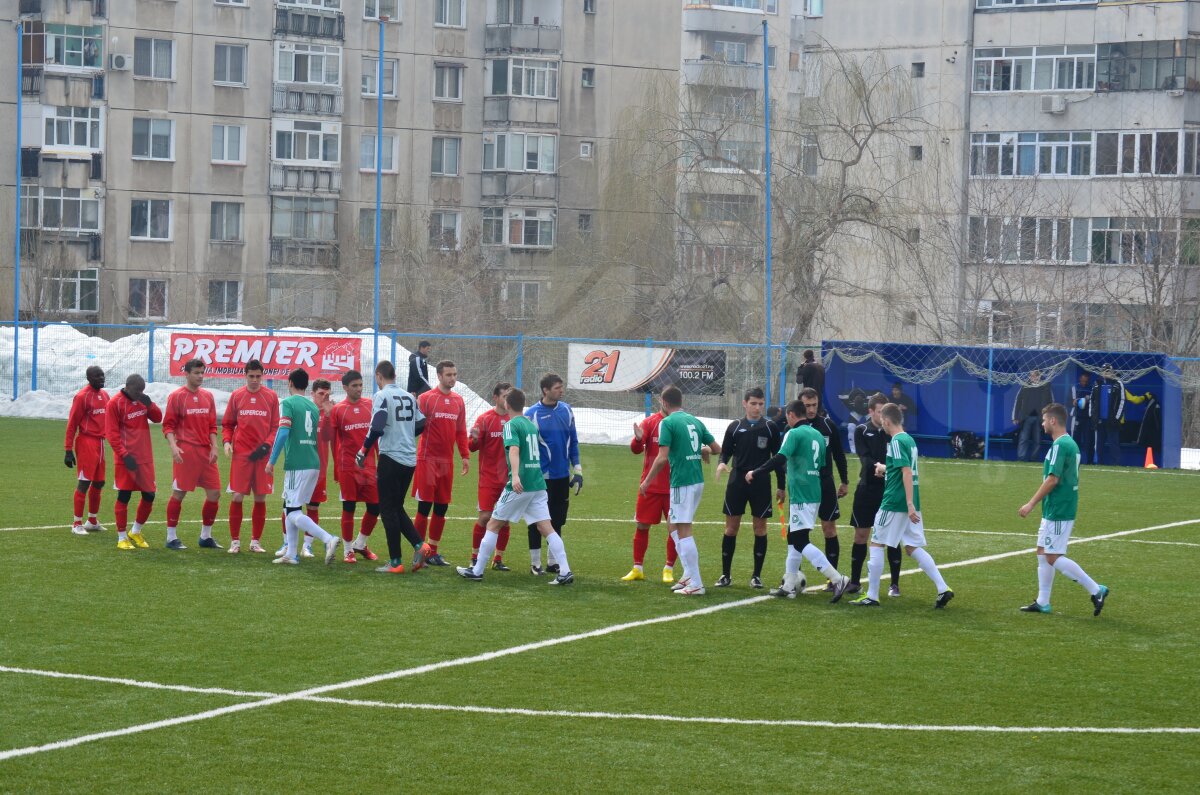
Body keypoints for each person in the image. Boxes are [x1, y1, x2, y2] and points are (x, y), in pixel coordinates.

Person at [458, 388, 574, 585]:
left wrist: (516, 477)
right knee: (546, 526)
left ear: (507, 404)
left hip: (521, 484)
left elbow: (514, 450)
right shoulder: (530, 424)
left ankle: (477, 571)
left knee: (493, 523)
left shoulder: (511, 425)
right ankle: (565, 571)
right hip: (538, 483)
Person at [747, 400, 851, 602]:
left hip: (802, 495)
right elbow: (821, 466)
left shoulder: (793, 433)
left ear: (792, 415)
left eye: (787, 416)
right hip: (814, 492)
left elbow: (780, 457)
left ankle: (838, 579)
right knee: (794, 540)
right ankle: (788, 586)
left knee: (801, 541)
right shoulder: (818, 436)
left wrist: (757, 472)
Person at [852, 403, 954, 609]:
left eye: (883, 422)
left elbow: (906, 472)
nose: (882, 425)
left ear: (887, 421)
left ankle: (872, 595)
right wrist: (885, 468)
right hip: (910, 501)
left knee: (876, 543)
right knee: (911, 547)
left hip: (895, 502)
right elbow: (901, 471)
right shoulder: (909, 440)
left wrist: (908, 504)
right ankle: (943, 588)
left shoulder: (897, 442)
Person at [1017, 402, 1109, 616]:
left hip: (1059, 508)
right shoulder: (1069, 444)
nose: (1041, 424)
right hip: (1055, 507)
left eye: (1043, 420)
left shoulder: (1061, 445)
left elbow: (1052, 479)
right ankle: (1043, 602)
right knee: (1042, 552)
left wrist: (1030, 504)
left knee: (1051, 556)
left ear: (1052, 421)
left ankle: (1096, 590)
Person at [639, 386, 720, 596]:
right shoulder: (695, 420)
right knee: (672, 524)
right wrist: (703, 450)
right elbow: (717, 448)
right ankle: (687, 575)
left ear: (664, 403)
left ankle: (697, 583)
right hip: (697, 481)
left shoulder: (667, 422)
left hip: (682, 481)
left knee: (684, 529)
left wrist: (647, 481)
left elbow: (662, 457)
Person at [358, 361, 432, 574]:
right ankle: (420, 545)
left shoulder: (381, 396)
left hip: (391, 457)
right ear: (395, 375)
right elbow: (421, 423)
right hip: (409, 459)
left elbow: (378, 424)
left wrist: (363, 450)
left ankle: (395, 561)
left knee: (387, 509)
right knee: (396, 507)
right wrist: (405, 435)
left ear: (378, 376)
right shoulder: (409, 396)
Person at [266, 369, 344, 566]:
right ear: (307, 385)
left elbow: (283, 433)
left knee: (292, 512)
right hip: (314, 463)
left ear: (289, 382)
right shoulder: (312, 405)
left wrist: (271, 461)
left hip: (297, 463)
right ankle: (291, 553)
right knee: (289, 506)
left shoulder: (288, 403)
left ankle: (328, 539)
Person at [714, 387, 784, 589]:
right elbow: (725, 452)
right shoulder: (735, 427)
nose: (757, 407)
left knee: (760, 529)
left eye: (761, 404)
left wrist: (781, 486)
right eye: (753, 403)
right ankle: (725, 575)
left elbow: (778, 459)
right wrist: (721, 462)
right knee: (731, 528)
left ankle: (756, 576)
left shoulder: (770, 428)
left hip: (761, 483)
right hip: (737, 482)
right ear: (745, 404)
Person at [411, 360, 470, 565]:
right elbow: (413, 427)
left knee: (441, 508)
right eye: (448, 375)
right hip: (427, 460)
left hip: (447, 463)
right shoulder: (426, 399)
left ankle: (433, 552)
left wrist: (464, 455)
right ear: (439, 376)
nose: (452, 378)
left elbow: (461, 431)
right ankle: (420, 551)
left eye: (454, 374)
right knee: (424, 507)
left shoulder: (458, 401)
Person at [525, 373, 583, 575]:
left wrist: (577, 470)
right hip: (540, 478)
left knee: (557, 519)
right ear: (545, 390)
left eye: (561, 387)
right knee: (536, 520)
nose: (561, 390)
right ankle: (535, 564)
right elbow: (526, 449)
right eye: (557, 387)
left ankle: (552, 562)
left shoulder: (567, 410)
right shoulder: (531, 414)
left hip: (561, 477)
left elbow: (573, 441)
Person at [162, 359, 221, 551]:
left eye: (202, 372)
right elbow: (168, 425)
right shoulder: (176, 396)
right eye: (196, 373)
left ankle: (206, 536)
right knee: (179, 493)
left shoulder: (208, 396)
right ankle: (171, 537)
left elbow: (212, 425)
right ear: (186, 374)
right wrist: (173, 446)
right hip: (186, 451)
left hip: (206, 452)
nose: (200, 376)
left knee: (215, 493)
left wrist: (214, 447)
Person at [848, 393, 904, 597]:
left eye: (884, 412)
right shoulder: (862, 431)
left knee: (892, 537)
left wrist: (886, 469)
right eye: (879, 412)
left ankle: (894, 584)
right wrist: (878, 467)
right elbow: (864, 457)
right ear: (870, 411)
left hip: (889, 490)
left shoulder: (894, 433)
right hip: (867, 488)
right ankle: (855, 581)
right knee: (861, 534)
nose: (882, 416)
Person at [222, 360, 279, 554]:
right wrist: (227, 442)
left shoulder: (271, 397)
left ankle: (255, 542)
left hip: (263, 456)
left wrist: (267, 445)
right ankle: (235, 541)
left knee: (260, 498)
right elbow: (228, 424)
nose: (254, 380)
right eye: (251, 376)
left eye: (258, 376)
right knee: (237, 496)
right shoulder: (237, 396)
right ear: (245, 375)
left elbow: (275, 426)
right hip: (242, 455)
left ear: (262, 376)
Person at [621, 397, 679, 584]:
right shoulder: (650, 422)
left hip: (674, 486)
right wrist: (638, 440)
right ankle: (637, 568)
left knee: (675, 529)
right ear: (662, 401)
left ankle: (668, 568)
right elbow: (635, 450)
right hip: (650, 487)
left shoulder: (679, 423)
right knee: (642, 525)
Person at [327, 370, 381, 563]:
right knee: (349, 507)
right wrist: (336, 469)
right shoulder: (338, 410)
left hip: (369, 467)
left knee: (375, 508)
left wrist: (379, 459)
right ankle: (348, 550)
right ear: (345, 387)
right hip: (348, 467)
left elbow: (375, 436)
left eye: (360, 385)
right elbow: (334, 442)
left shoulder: (370, 406)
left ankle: (361, 543)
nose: (359, 389)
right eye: (354, 386)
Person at [797, 387, 850, 584]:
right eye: (807, 405)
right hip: (803, 485)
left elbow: (838, 455)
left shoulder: (828, 426)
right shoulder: (794, 428)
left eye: (814, 405)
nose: (811, 409)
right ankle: (795, 575)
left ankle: (832, 579)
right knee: (800, 530)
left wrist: (844, 481)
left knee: (829, 528)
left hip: (825, 483)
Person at [105, 374, 161, 550]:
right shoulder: (115, 404)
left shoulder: (142, 401)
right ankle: (121, 537)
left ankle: (135, 531)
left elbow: (158, 418)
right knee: (124, 495)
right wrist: (124, 455)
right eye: (137, 391)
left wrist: (149, 403)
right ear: (127, 387)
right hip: (126, 459)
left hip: (145, 459)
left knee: (149, 495)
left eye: (142, 391)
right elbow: (111, 434)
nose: (139, 394)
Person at [468, 382, 515, 572]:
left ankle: (498, 559)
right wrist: (475, 438)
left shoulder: (515, 420)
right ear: (495, 398)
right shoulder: (485, 419)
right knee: (485, 517)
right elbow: (471, 447)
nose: (506, 400)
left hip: (509, 479)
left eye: (509, 396)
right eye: (504, 396)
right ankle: (474, 557)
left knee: (504, 520)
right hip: (488, 478)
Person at [65, 365, 110, 535]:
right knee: (84, 482)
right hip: (86, 442)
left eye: (102, 375)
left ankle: (92, 520)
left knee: (99, 482)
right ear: (89, 379)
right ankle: (76, 523)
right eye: (98, 376)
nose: (101, 378)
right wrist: (68, 449)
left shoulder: (105, 395)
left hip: (100, 443)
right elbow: (72, 424)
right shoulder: (82, 397)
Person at [1012, 369, 1054, 462]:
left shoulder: (1046, 386)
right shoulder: (1025, 386)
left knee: (1037, 440)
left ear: (1039, 376)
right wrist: (1015, 417)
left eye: (1035, 375)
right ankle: (1021, 458)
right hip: (1026, 417)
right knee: (1023, 439)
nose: (1033, 377)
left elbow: (1051, 404)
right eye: (1031, 375)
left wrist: (1050, 418)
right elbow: (1018, 401)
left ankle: (1034, 458)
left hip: (1040, 418)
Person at [1090, 366, 1126, 466]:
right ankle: (1098, 462)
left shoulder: (1118, 384)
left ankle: (1116, 464)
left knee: (1113, 444)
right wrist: (1092, 416)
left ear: (1112, 372)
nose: (1106, 373)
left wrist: (1117, 417)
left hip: (1112, 421)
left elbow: (1122, 401)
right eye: (1105, 371)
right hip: (1099, 420)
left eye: (1109, 371)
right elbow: (1092, 400)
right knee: (1098, 445)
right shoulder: (1097, 384)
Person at [1069, 371, 1094, 465]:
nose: (1084, 382)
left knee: (1088, 441)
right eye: (1082, 380)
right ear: (1080, 379)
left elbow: (1093, 401)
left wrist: (1087, 400)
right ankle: (1074, 461)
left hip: (1088, 417)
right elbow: (1072, 401)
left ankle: (1089, 461)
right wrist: (1076, 401)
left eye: (1086, 381)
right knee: (1075, 440)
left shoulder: (1091, 388)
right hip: (1077, 417)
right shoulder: (1075, 387)